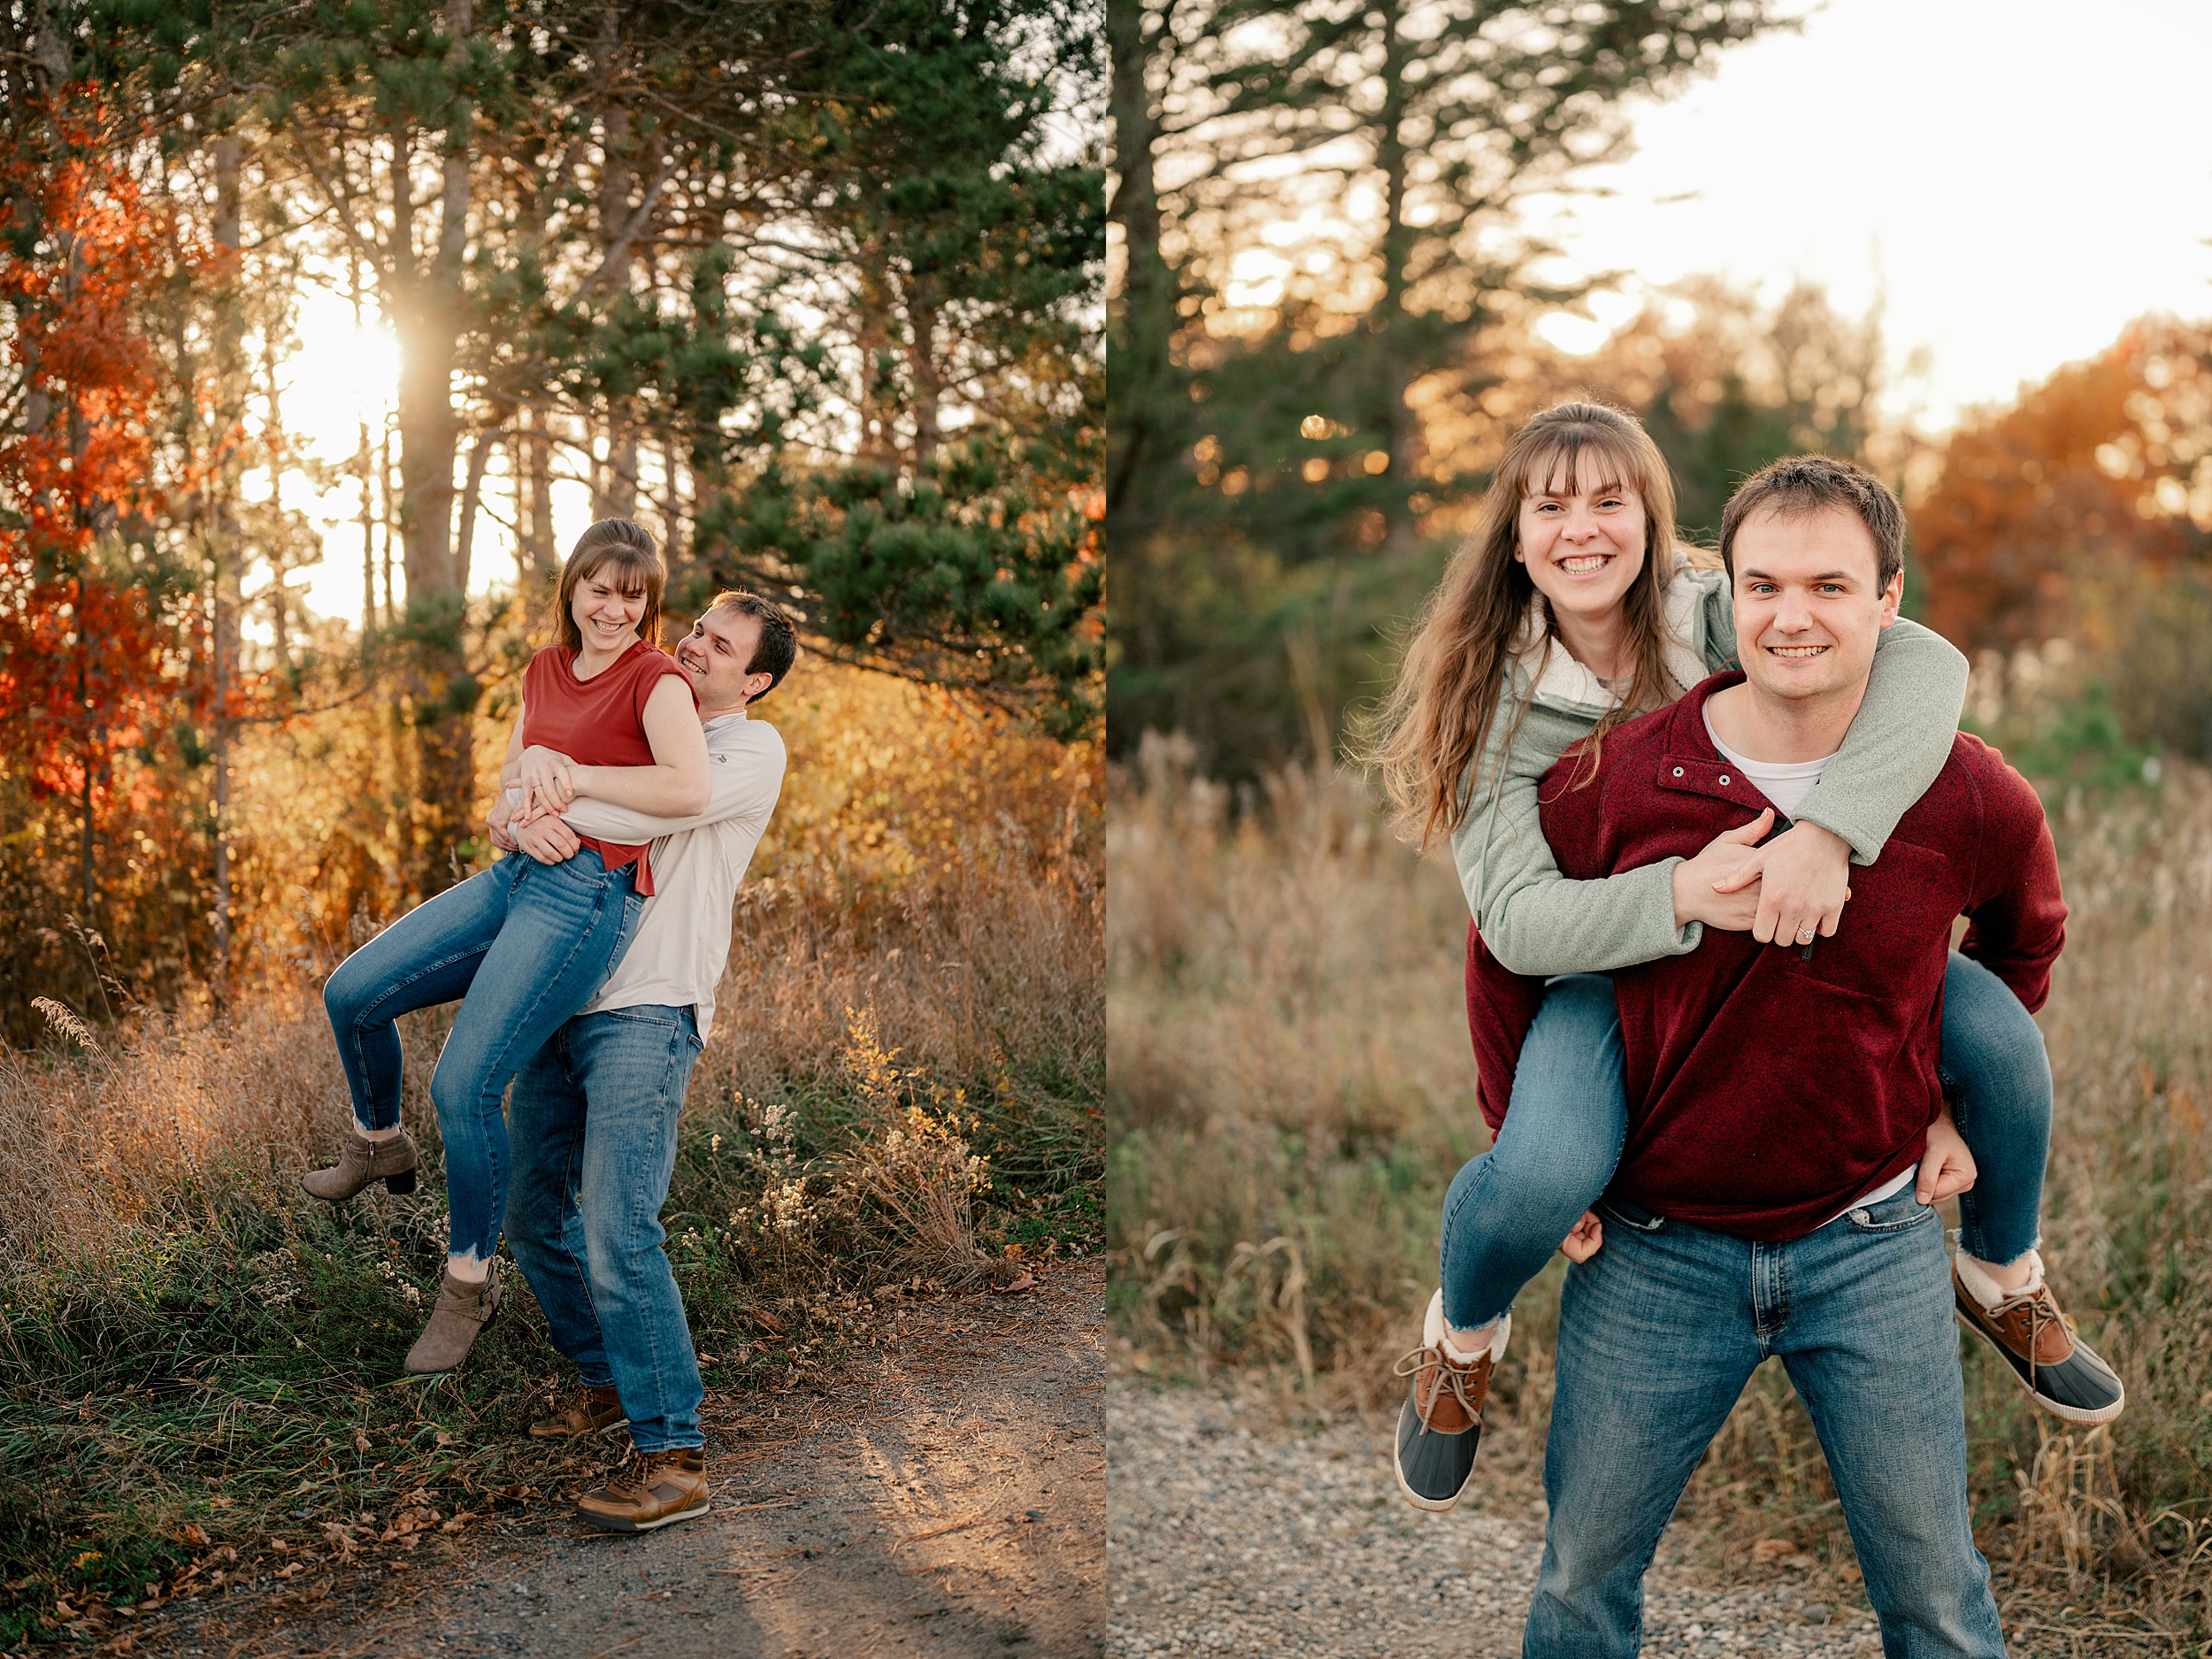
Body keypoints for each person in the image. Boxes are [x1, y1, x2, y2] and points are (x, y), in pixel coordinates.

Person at [1364, 404, 2116, 1516]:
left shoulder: (1719, 608)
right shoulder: (1489, 703)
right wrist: (1672, 898)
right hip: (1604, 982)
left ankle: (2002, 1270)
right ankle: (1461, 1339)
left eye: (1610, 500)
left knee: (1999, 1036)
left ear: (1654, 523)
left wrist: (1829, 830)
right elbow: (1512, 928)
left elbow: (1922, 657)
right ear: (1514, 538)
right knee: (1531, 1177)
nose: (1583, 530)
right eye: (1551, 506)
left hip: (1791, 952)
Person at [306, 521, 710, 1378]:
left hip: (589, 894)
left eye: (633, 595)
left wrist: (577, 776)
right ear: (572, 589)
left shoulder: (656, 679)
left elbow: (688, 787)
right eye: (599, 589)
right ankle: (377, 1139)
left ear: (650, 604)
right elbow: (509, 783)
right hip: (518, 873)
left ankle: (467, 1284)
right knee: (354, 993)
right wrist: (505, 814)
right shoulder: (543, 670)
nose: (614, 609)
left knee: (465, 1084)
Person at [490, 590, 793, 1533]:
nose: (695, 648)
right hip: (560, 999)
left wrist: (554, 778)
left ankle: (674, 1455)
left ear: (757, 679)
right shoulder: (632, 716)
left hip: (647, 1008)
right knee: (536, 1214)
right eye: (696, 631)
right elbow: (531, 808)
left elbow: (639, 809)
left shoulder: (747, 751)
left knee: (621, 1226)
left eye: (721, 647)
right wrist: (513, 816)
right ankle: (605, 1382)